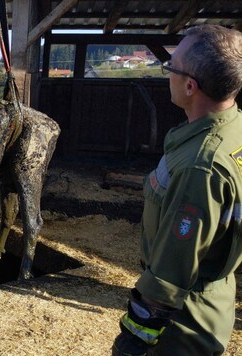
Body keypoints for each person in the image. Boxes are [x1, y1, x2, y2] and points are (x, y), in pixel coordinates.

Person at [112, 25, 242, 355]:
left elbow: (170, 274)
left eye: (171, 67)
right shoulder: (231, 130)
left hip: (181, 326)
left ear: (189, 86)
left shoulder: (202, 166)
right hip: (213, 301)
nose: (166, 73)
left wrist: (135, 337)